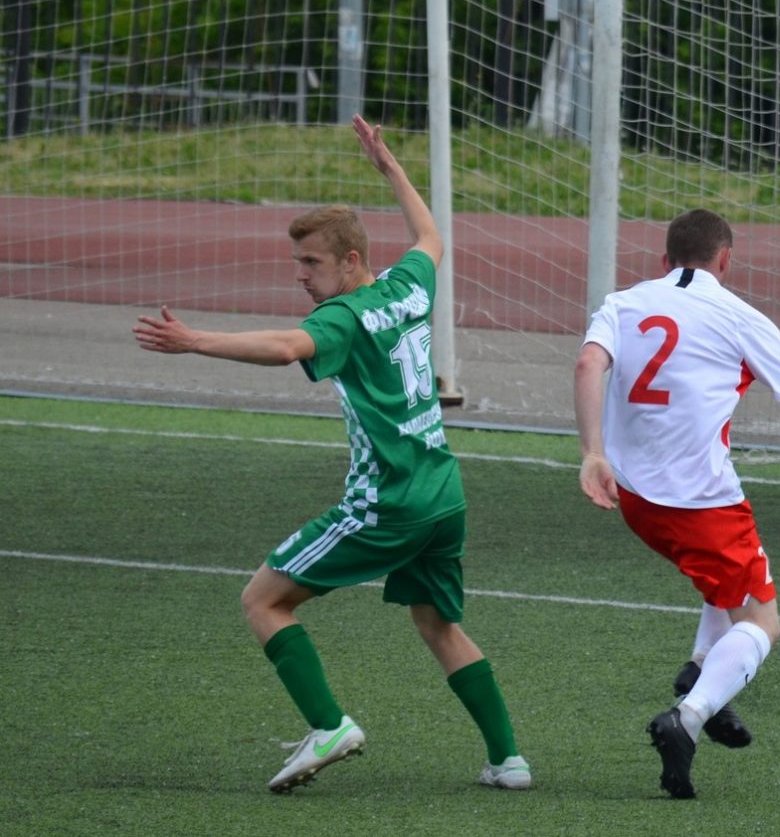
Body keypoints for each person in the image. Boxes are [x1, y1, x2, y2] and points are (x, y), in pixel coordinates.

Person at [132, 115, 530, 794]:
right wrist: (391, 168)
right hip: (444, 494)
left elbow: (287, 347)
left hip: (391, 502)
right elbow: (431, 238)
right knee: (437, 621)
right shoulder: (407, 286)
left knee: (263, 600)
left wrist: (195, 340)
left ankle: (330, 726)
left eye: (311, 263)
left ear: (351, 262)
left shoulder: (341, 318)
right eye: (297, 264)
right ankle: (508, 760)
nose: (301, 277)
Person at [573, 208, 780, 800]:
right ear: (725, 260)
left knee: (728, 576)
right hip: (700, 503)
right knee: (763, 622)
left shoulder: (623, 301)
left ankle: (703, 664)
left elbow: (587, 363)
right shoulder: (740, 316)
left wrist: (592, 452)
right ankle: (691, 714)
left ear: (664, 260)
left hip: (630, 495)